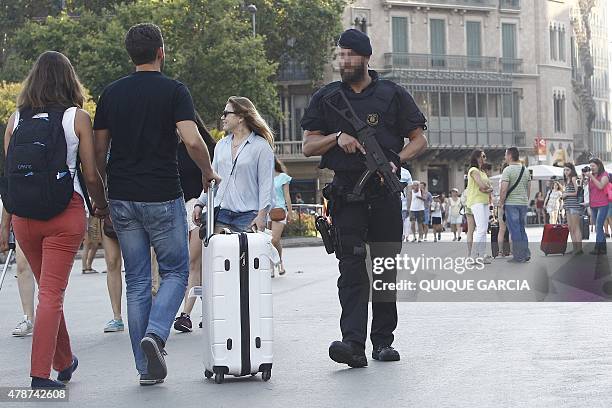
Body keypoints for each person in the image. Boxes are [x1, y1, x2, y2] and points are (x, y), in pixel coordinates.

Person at [93, 23, 219, 386]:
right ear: (161, 53)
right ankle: (157, 333)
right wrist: (208, 171)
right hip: (162, 195)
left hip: (122, 197)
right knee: (177, 271)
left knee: (135, 281)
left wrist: (102, 192)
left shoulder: (111, 94)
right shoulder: (174, 91)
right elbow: (193, 142)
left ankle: (146, 369)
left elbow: (99, 150)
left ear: (130, 55)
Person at [301, 28, 428, 367]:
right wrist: (336, 137)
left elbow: (419, 140)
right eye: (340, 55)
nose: (343, 61)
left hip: (384, 192)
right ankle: (352, 344)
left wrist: (395, 160)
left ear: (365, 57)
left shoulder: (392, 94)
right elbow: (308, 145)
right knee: (352, 270)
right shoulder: (326, 97)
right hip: (346, 194)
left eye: (349, 55)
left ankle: (383, 341)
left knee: (384, 269)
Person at [0, 51, 109, 388]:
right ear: (69, 80)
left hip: (24, 218)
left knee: (49, 290)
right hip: (65, 214)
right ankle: (39, 375)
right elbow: (90, 174)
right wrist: (101, 205)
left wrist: (5, 226)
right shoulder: (77, 117)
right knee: (51, 294)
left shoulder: (16, 119)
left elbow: (11, 177)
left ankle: (64, 361)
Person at [193, 96, 275, 233]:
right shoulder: (221, 145)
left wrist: (262, 216)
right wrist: (200, 203)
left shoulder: (261, 146)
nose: (222, 118)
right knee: (218, 253)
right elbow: (212, 179)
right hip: (221, 214)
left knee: (244, 254)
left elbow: (266, 185)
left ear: (240, 117)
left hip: (249, 216)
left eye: (226, 113)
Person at [173, 113, 217, 333]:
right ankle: (208, 310)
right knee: (195, 265)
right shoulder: (171, 149)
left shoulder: (208, 148)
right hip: (178, 209)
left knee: (194, 262)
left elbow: (214, 179)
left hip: (201, 208)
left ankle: (185, 314)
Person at [498, 147, 531, 263]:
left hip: (511, 203)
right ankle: (526, 253)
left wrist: (501, 203)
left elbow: (503, 189)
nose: (505, 157)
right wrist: (525, 201)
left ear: (510, 156)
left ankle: (518, 256)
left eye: (506, 155)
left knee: (515, 230)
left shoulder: (507, 170)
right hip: (523, 203)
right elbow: (528, 190)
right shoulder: (525, 170)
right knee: (522, 229)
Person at [466, 150, 493, 263]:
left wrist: (486, 188)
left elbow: (487, 186)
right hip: (476, 201)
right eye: (483, 156)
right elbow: (481, 185)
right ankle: (473, 256)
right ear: (477, 158)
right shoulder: (473, 170)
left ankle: (481, 255)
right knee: (481, 228)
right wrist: (487, 187)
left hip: (484, 201)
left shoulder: (482, 172)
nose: (485, 158)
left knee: (484, 229)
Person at [269, 157, 293, 277]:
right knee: (268, 241)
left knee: (274, 239)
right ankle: (272, 265)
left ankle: (278, 262)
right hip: (266, 210)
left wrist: (290, 212)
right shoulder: (263, 177)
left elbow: (287, 195)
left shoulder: (283, 177)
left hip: (280, 210)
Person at [585, 158, 609, 255]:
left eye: (593, 166)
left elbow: (600, 186)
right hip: (593, 205)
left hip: (603, 204)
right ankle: (602, 248)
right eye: (590, 166)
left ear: (598, 166)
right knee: (597, 227)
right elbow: (591, 191)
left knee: (599, 225)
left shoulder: (605, 175)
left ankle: (598, 248)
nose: (591, 168)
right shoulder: (591, 177)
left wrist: (591, 176)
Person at [562, 163, 583, 254]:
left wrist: (566, 194)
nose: (566, 172)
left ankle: (579, 248)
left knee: (576, 227)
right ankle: (575, 248)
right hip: (567, 206)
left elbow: (577, 192)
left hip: (574, 206)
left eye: (568, 170)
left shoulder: (574, 178)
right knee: (570, 227)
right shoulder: (566, 180)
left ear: (572, 170)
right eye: (565, 170)